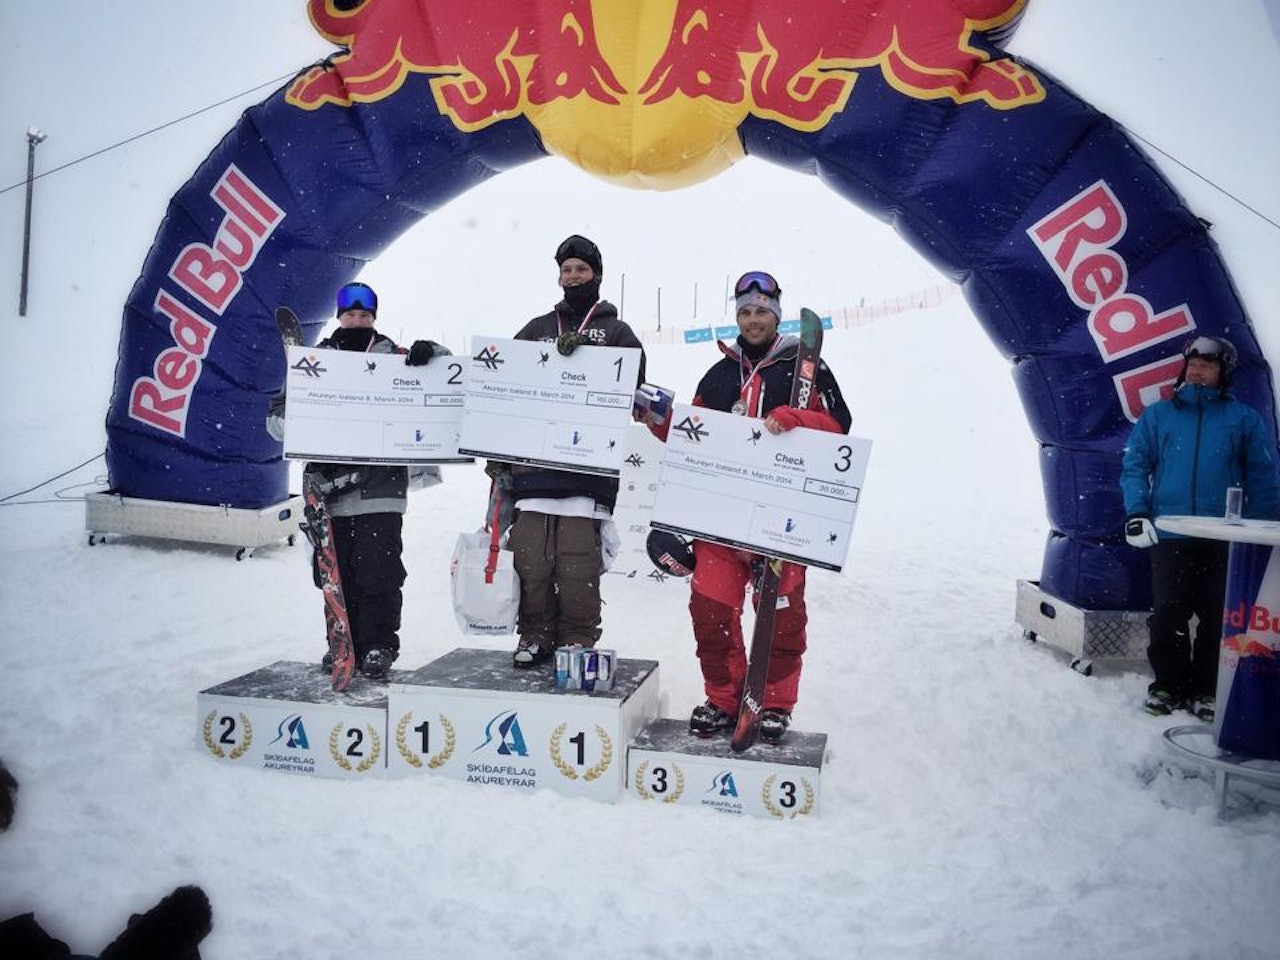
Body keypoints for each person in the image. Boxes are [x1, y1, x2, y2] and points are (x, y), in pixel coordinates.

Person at [645, 271, 851, 743]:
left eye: (761, 311)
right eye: (745, 312)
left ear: (776, 316)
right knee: (710, 615)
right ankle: (724, 699)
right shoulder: (719, 375)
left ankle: (774, 703)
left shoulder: (805, 369)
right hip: (721, 524)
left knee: (781, 620)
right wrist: (660, 422)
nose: (753, 320)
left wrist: (798, 418)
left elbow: (840, 428)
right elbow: (694, 437)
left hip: (781, 523)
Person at [267, 281, 446, 680]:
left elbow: (447, 373)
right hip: (328, 491)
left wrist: (430, 352)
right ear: (339, 317)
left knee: (379, 570)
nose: (357, 321)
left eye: (365, 315)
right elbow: (276, 416)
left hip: (380, 489)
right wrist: (295, 423)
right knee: (336, 573)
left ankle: (378, 644)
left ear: (374, 318)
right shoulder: (315, 362)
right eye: (350, 314)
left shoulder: (394, 358)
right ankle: (342, 640)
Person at [494, 235, 646, 668]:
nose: (574, 276)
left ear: (596, 275)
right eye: (566, 270)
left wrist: (588, 362)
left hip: (587, 474)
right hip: (534, 472)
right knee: (532, 559)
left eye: (581, 269)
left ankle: (578, 638)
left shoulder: (617, 332)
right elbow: (502, 381)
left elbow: (635, 387)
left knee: (577, 562)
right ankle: (535, 633)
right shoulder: (538, 328)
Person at [1120, 334, 1280, 719]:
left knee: (1217, 617)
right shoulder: (1159, 416)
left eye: (1206, 365)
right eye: (1192, 364)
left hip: (1225, 537)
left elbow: (1263, 478)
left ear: (1224, 373)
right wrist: (1137, 512)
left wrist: (1264, 532)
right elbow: (1135, 466)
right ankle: (1168, 685)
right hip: (1170, 533)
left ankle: (1209, 690)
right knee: (1168, 614)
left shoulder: (1243, 419)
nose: (1197, 370)